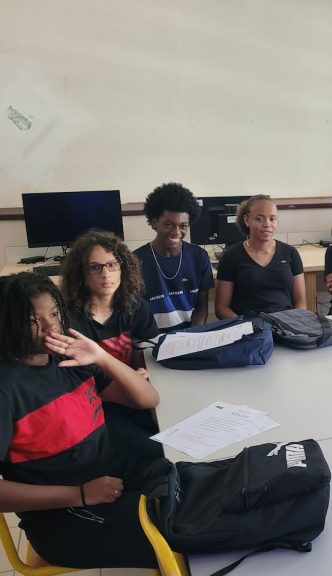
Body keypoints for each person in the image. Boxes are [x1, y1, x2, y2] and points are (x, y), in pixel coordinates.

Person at [0, 272, 159, 569]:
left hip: (109, 476)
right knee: (179, 533)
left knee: (191, 488)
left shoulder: (68, 359)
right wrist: (79, 494)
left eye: (54, 314)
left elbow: (147, 399)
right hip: (63, 515)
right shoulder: (6, 387)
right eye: (33, 320)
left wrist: (101, 356)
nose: (50, 327)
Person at [60, 230, 162, 464]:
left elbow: (146, 354)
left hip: (134, 392)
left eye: (112, 265)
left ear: (123, 268)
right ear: (81, 273)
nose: (106, 274)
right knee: (152, 452)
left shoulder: (136, 307)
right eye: (95, 267)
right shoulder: (69, 320)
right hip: (97, 404)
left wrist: (142, 373)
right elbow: (86, 385)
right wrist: (131, 380)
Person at [134, 182, 215, 331]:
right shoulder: (135, 261)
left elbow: (201, 307)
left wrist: (193, 335)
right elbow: (134, 314)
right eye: (169, 224)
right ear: (154, 223)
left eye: (183, 226)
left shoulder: (199, 257)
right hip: (151, 338)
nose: (176, 232)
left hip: (190, 336)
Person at [215, 195, 306, 318]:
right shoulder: (231, 256)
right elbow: (221, 308)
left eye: (272, 219)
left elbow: (300, 302)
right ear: (247, 220)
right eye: (259, 219)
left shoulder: (290, 253)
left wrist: (295, 323)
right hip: (247, 324)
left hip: (285, 323)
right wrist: (244, 325)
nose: (267, 224)